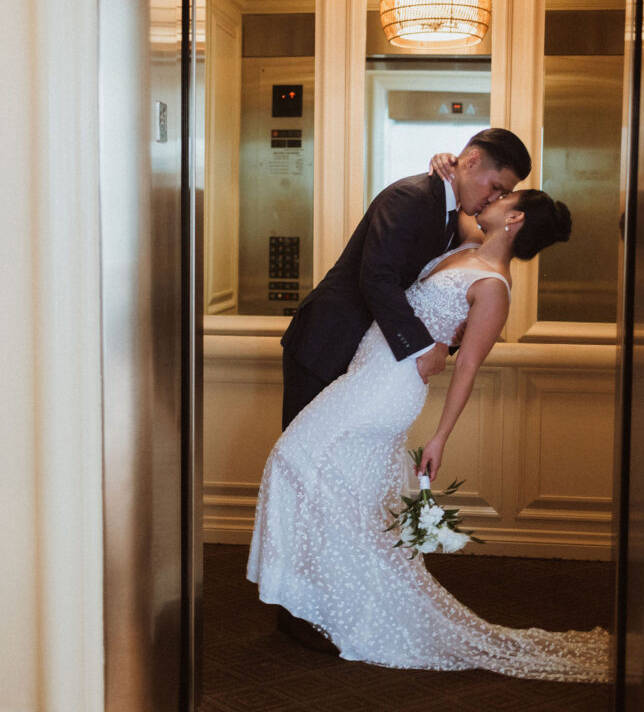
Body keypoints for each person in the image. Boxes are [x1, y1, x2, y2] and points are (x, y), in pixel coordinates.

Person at [248, 188, 610, 682]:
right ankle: (335, 606)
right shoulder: (465, 248)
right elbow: (453, 200)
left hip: (388, 393)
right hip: (363, 373)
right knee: (345, 496)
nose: (494, 198)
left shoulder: (493, 286)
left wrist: (439, 438)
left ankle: (341, 606)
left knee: (295, 460)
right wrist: (443, 163)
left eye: (506, 198)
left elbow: (468, 370)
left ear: (516, 217)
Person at [280, 128, 531, 431]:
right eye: (494, 187)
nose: (492, 199)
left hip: (369, 357)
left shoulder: (456, 216)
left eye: (502, 195)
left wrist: (453, 332)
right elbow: (377, 278)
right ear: (473, 160)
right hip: (327, 342)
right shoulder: (410, 196)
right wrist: (424, 347)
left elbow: (429, 287)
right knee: (303, 456)